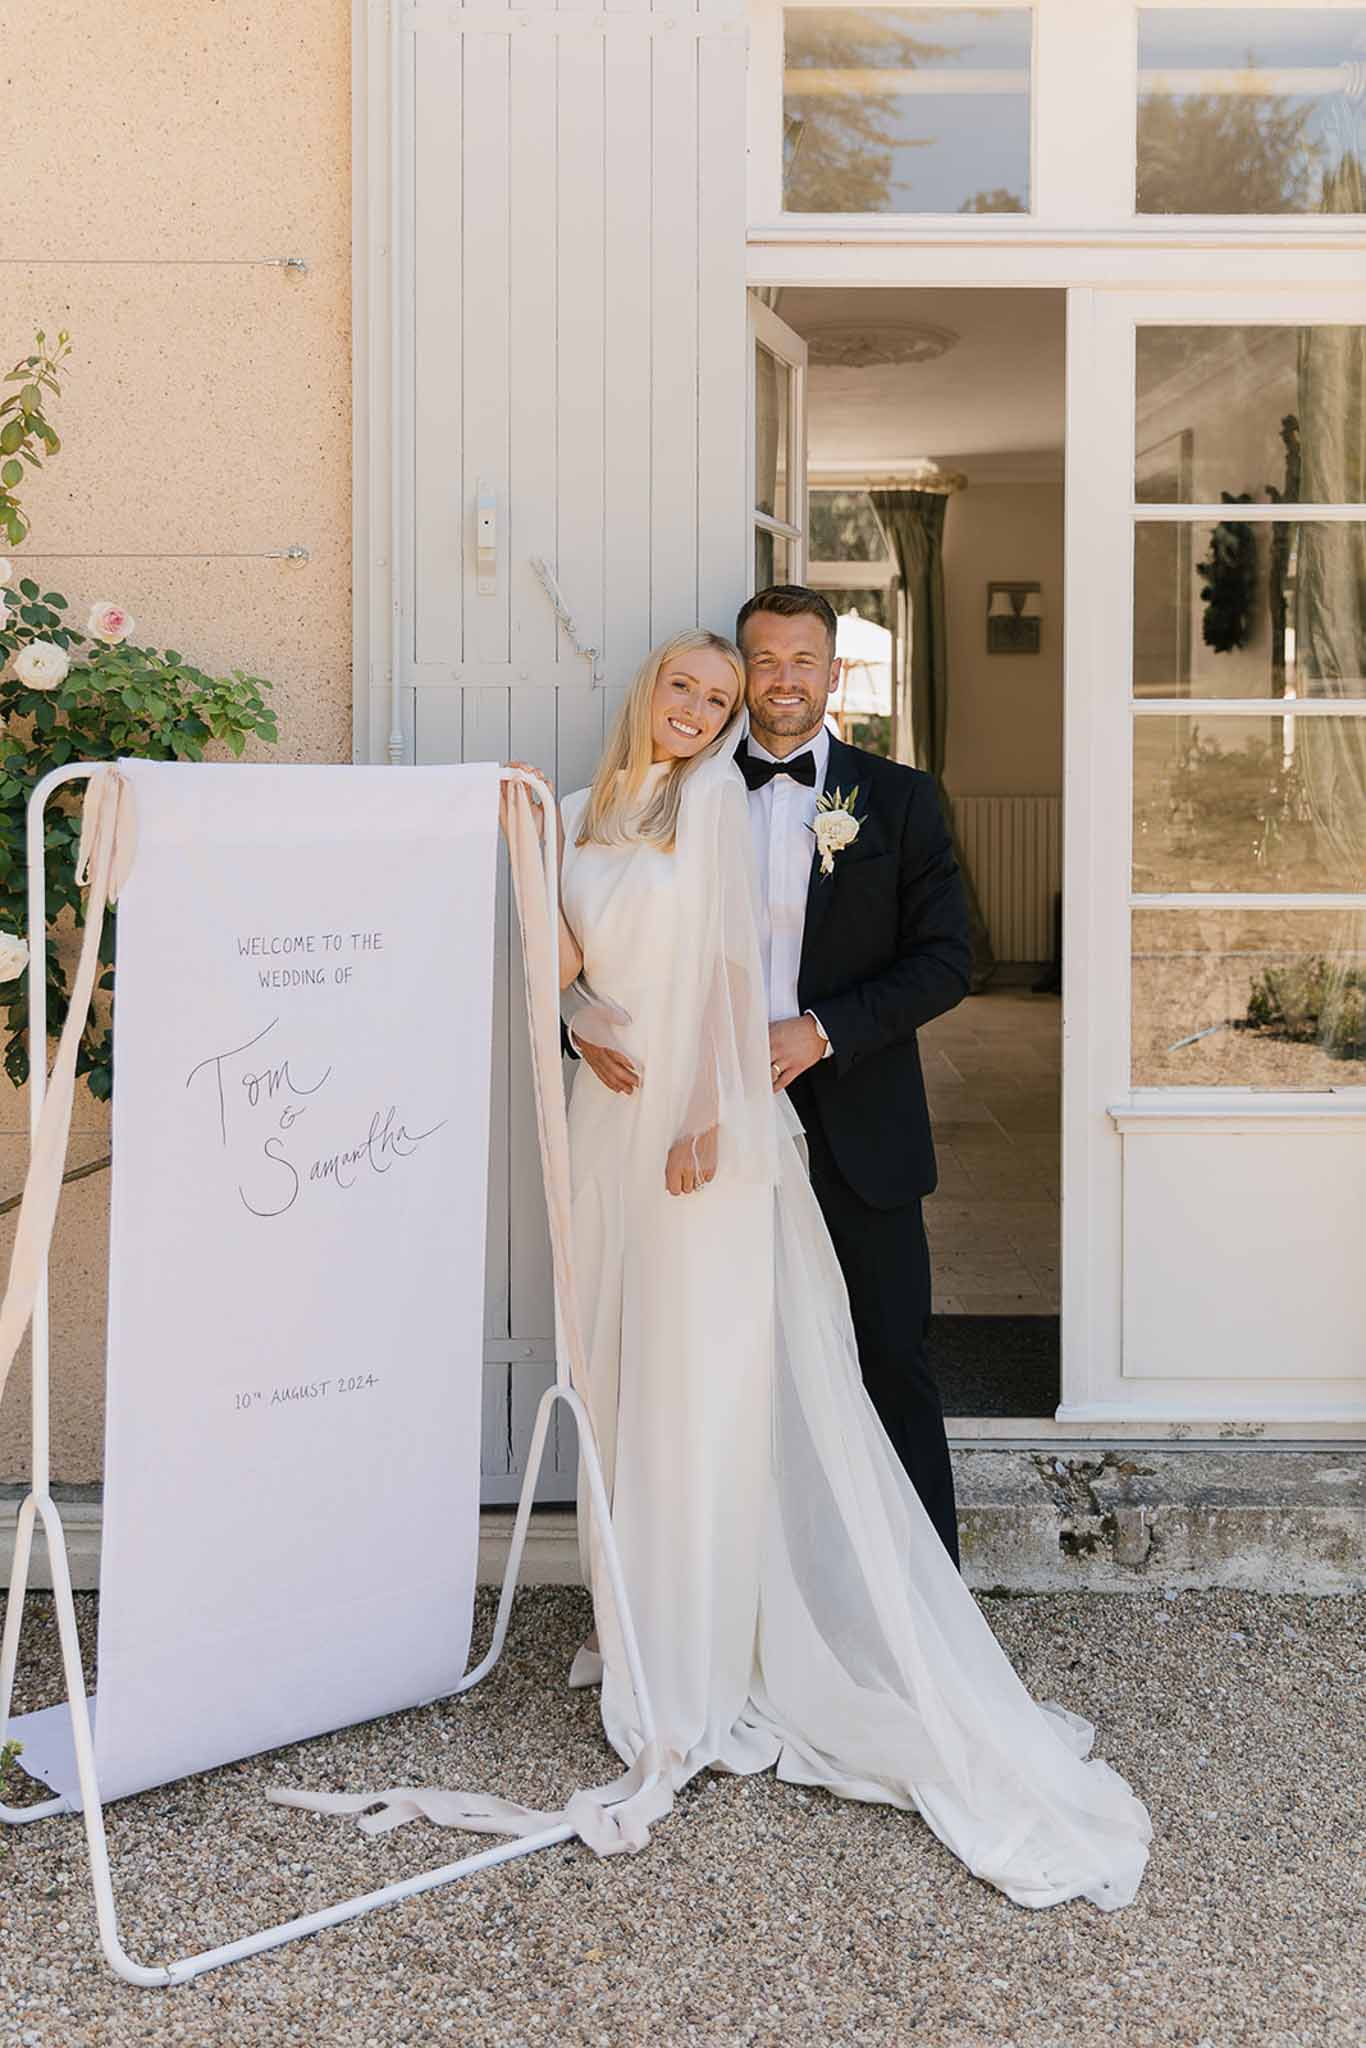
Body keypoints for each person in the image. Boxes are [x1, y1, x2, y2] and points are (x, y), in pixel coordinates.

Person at [504, 627, 1151, 1912]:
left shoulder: (852, 799)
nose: (728, 700)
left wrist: (755, 1072)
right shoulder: (605, 805)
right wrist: (575, 1012)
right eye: (712, 678)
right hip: (618, 1127)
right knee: (636, 1362)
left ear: (822, 678)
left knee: (840, 1366)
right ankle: (661, 1615)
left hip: (766, 1119)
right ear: (662, 689)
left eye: (748, 684)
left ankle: (885, 1618)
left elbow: (894, 964)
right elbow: (571, 962)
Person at [576, 586, 968, 1566]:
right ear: (739, 674)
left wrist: (821, 1031)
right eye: (764, 659)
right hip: (693, 1119)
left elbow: (947, 961)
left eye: (805, 659)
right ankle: (749, 1590)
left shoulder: (900, 797)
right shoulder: (679, 791)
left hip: (854, 1117)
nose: (783, 678)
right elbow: (600, 926)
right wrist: (574, 1013)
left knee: (887, 1352)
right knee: (724, 1360)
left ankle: (926, 1600)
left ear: (835, 674)